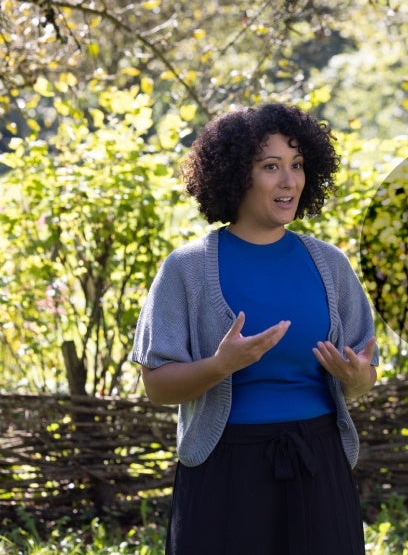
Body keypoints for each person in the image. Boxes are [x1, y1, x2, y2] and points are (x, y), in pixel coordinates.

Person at [130, 103, 378, 555]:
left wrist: (357, 380)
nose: (290, 182)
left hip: (318, 466)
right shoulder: (185, 270)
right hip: (225, 473)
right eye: (271, 167)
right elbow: (157, 387)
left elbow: (364, 374)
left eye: (298, 165)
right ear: (235, 175)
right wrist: (221, 365)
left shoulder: (331, 266)